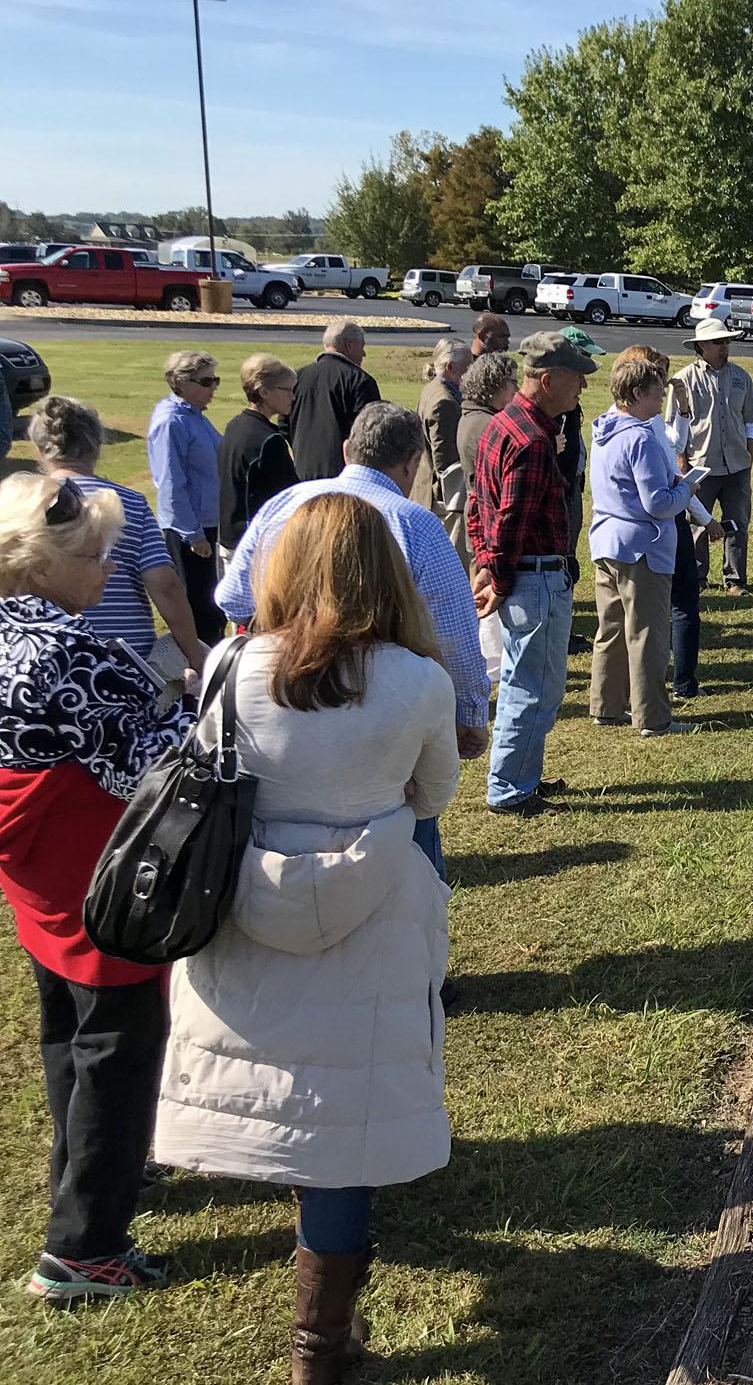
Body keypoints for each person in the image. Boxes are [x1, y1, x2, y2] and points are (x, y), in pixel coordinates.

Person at [153, 493, 459, 1382]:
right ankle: (318, 1348)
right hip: (374, 910)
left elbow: (208, 776)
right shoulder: (418, 680)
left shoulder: (230, 665)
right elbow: (433, 796)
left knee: (291, 1084)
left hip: (245, 895)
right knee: (347, 1122)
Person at [0, 474, 193, 1304]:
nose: (111, 568)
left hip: (38, 883)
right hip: (102, 886)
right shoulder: (72, 651)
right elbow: (151, 767)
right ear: (42, 566)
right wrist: (197, 702)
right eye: (95, 553)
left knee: (66, 1037)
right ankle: (84, 1250)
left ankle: (80, 1176)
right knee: (118, 1051)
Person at [216, 403, 489, 880]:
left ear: (347, 450)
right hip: (382, 729)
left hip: (277, 717)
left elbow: (234, 598)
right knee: (407, 870)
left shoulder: (287, 503)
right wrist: (468, 716)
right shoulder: (415, 522)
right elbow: (454, 632)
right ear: (411, 464)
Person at [469, 331, 596, 816]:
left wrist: (486, 565)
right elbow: (510, 520)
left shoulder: (501, 426)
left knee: (528, 681)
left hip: (522, 575)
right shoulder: (532, 440)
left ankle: (521, 775)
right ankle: (510, 788)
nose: (582, 389)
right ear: (547, 380)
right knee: (534, 686)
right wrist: (497, 579)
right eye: (576, 380)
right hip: (535, 577)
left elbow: (481, 508)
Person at [589, 347, 721, 738]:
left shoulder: (603, 429)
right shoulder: (641, 440)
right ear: (634, 395)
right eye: (654, 390)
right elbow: (659, 504)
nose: (661, 396)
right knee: (646, 633)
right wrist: (689, 488)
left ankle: (605, 706)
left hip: (607, 542)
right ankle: (652, 717)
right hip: (642, 547)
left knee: (610, 629)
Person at [28, 395, 208, 675]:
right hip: (126, 657)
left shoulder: (23, 505)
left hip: (43, 654)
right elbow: (164, 584)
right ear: (97, 444)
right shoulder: (130, 503)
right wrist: (194, 655)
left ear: (40, 448)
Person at [669, 316, 753, 597]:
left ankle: (735, 580)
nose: (725, 347)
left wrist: (749, 454)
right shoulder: (684, 380)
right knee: (697, 523)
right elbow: (674, 427)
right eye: (718, 342)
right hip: (701, 465)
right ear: (701, 347)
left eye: (727, 341)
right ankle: (697, 578)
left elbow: (751, 421)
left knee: (737, 523)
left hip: (737, 465)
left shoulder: (740, 377)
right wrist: (682, 464)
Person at [147, 348, 226, 645]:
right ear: (181, 382)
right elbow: (170, 483)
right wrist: (193, 535)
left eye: (214, 381)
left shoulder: (194, 417)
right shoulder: (172, 422)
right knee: (198, 610)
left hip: (207, 524)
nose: (213, 388)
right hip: (189, 532)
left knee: (211, 608)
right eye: (206, 382)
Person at [459, 351, 520, 688]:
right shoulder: (486, 423)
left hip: (482, 520)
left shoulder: (475, 417)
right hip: (487, 523)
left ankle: (491, 663)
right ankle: (491, 665)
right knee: (488, 597)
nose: (515, 389)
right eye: (512, 382)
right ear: (496, 385)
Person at [218, 354, 301, 555]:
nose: (292, 397)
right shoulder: (267, 439)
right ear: (264, 392)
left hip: (230, 537)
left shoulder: (235, 425)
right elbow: (289, 494)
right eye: (287, 390)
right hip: (254, 545)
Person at [556, 324, 604, 655]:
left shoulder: (570, 401)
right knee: (562, 560)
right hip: (560, 494)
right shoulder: (557, 404)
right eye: (583, 358)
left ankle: (564, 626)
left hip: (572, 488)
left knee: (568, 557)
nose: (587, 372)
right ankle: (561, 630)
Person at [288, 320, 379, 481]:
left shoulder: (297, 378)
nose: (363, 354)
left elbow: (284, 422)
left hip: (301, 472)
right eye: (362, 347)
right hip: (343, 478)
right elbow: (368, 434)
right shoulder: (360, 381)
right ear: (349, 345)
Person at [410, 337, 472, 570]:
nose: (472, 369)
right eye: (468, 364)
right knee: (451, 563)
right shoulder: (444, 401)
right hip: (444, 498)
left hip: (431, 493)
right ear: (450, 368)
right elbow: (445, 461)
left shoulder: (434, 390)